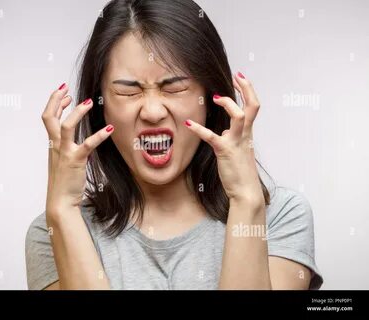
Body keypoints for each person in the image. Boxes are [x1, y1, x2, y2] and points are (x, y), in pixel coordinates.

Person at [26, 0, 323, 290]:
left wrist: (246, 201)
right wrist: (63, 210)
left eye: (176, 87)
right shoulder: (50, 233)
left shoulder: (282, 217)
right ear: (99, 105)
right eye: (128, 92)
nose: (153, 112)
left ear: (209, 100)